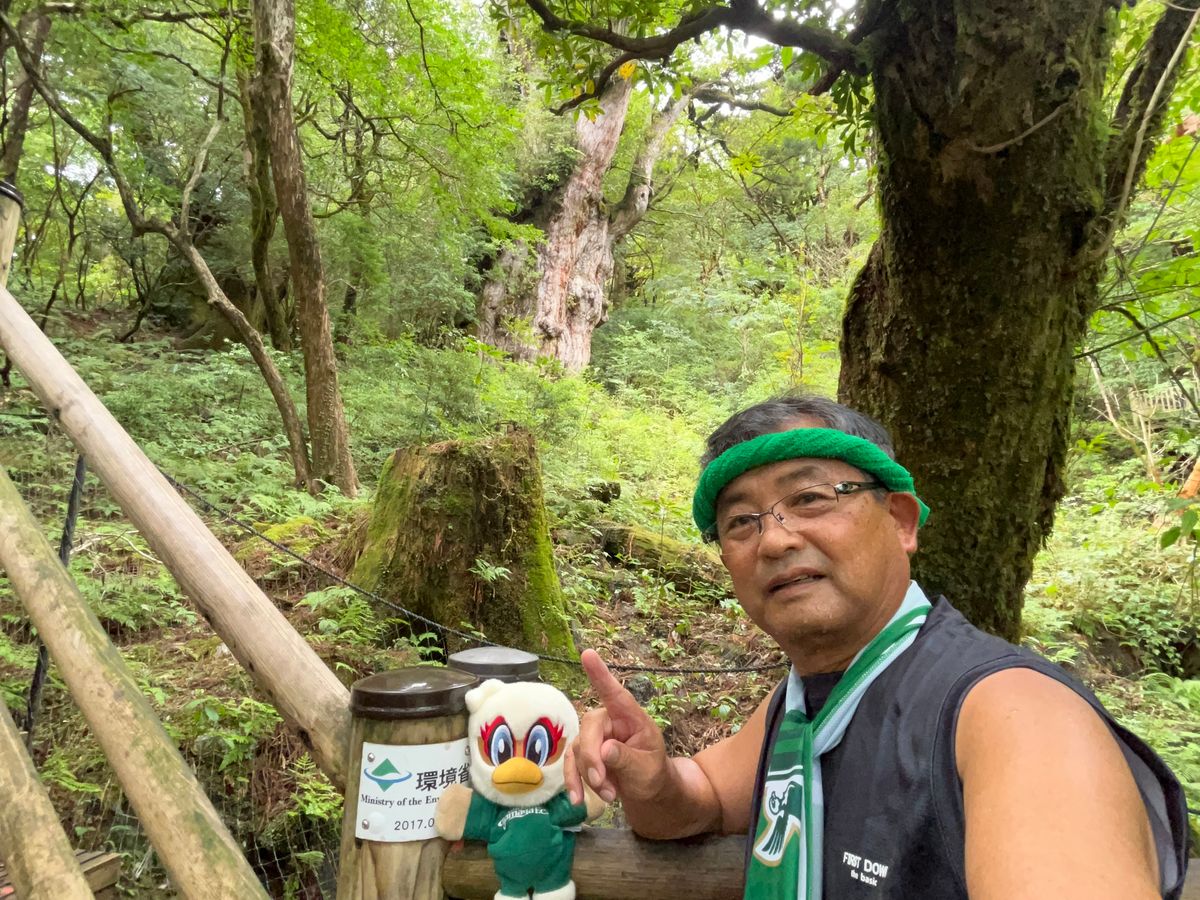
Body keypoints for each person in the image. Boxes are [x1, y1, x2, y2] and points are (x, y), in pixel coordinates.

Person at [563, 395, 1189, 899]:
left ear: (900, 521)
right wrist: (648, 778)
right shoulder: (804, 705)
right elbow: (698, 797)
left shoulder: (1014, 715)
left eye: (809, 499)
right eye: (741, 522)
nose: (774, 541)